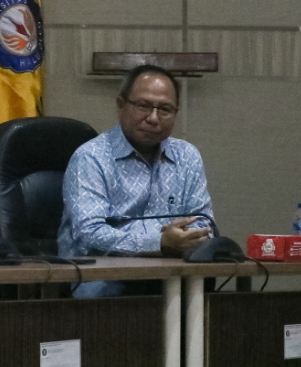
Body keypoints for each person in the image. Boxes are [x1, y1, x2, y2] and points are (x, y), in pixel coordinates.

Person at [58, 64, 214, 297]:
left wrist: (188, 239)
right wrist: (159, 243)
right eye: (143, 106)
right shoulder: (91, 157)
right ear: (121, 106)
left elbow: (204, 225)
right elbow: (89, 234)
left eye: (165, 109)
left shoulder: (187, 156)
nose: (153, 118)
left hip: (172, 280)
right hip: (104, 282)